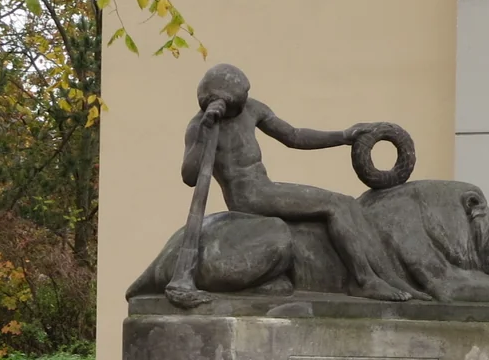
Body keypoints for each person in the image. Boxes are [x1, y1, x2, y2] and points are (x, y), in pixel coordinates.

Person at [178, 63, 420, 301]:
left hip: (266, 187)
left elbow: (293, 136)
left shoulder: (251, 109)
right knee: (335, 204)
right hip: (249, 197)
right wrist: (204, 135)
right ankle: (364, 281)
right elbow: (189, 177)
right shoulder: (199, 127)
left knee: (347, 203)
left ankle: (389, 276)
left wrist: (344, 136)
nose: (246, 100)